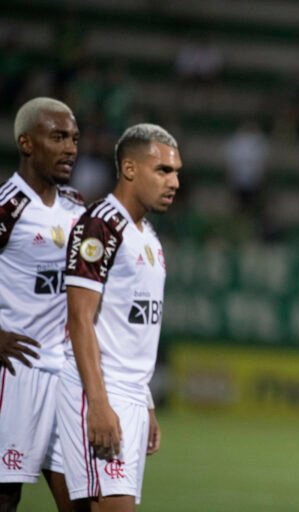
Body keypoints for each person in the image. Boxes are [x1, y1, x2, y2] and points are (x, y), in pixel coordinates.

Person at [56, 123, 181, 510]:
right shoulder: (100, 226)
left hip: (129, 397)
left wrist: (145, 404)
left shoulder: (146, 234)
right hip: (99, 391)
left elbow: (133, 327)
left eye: (177, 172)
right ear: (129, 169)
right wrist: (97, 402)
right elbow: (79, 318)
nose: (174, 182)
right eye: (163, 170)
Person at [0, 97, 84, 512]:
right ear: (26, 143)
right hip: (15, 372)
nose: (70, 148)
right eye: (58, 137)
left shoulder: (77, 208)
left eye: (73, 138)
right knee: (5, 493)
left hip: (65, 375)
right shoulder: (7, 206)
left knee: (81, 500)